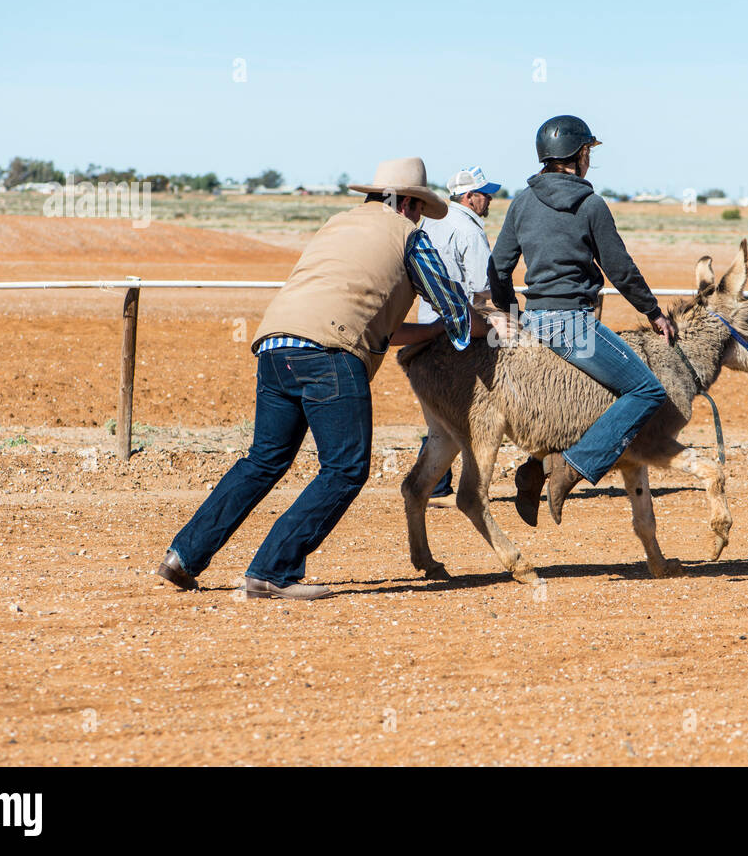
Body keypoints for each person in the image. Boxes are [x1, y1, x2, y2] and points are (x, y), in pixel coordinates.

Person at [156, 157, 477, 600]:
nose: (420, 217)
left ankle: (182, 557)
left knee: (263, 460)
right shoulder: (408, 236)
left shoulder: (337, 226)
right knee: (345, 469)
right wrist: (489, 327)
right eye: (419, 208)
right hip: (329, 356)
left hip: (276, 344)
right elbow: (458, 312)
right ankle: (272, 571)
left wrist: (432, 329)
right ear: (406, 204)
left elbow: (374, 322)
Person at [488, 114, 675, 525]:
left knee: (597, 402)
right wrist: (653, 312)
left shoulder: (521, 201)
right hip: (574, 326)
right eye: (589, 151)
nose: (590, 159)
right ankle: (572, 468)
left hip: (535, 323)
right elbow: (619, 268)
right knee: (646, 392)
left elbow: (498, 268)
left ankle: (535, 469)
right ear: (578, 155)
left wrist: (512, 316)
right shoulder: (591, 205)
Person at [414, 166, 500, 506]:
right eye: (485, 192)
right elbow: (482, 286)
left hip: (425, 328)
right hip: (462, 330)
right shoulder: (469, 230)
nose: (490, 198)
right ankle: (466, 490)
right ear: (469, 197)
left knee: (439, 414)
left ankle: (435, 486)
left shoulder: (430, 223)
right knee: (471, 412)